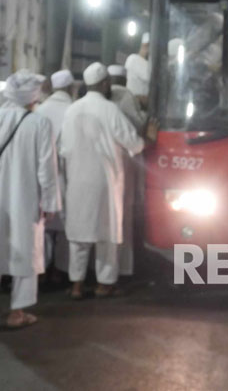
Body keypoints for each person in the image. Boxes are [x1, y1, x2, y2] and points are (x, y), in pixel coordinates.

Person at [0, 70, 60, 328]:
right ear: (33, 96)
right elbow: (47, 168)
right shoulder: (40, 124)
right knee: (26, 252)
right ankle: (17, 311)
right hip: (27, 199)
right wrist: (50, 202)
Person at [60, 63, 145, 299]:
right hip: (105, 182)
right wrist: (146, 139)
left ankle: (76, 285)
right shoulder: (110, 110)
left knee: (79, 235)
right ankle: (104, 284)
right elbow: (133, 143)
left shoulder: (72, 110)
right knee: (107, 236)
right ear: (106, 83)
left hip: (77, 180)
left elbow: (64, 148)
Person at [108, 65, 147, 279]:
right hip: (126, 160)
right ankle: (123, 268)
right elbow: (138, 127)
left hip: (102, 163)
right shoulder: (126, 96)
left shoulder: (101, 99)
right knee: (124, 216)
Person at [35, 69, 74, 278]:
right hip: (67, 176)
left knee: (43, 226)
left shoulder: (40, 110)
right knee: (66, 227)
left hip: (41, 176)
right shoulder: (73, 109)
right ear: (70, 88)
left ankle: (41, 268)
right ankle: (60, 271)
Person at [124, 32, 150, 101]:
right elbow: (151, 77)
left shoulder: (148, 63)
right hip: (136, 104)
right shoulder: (134, 59)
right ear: (145, 46)